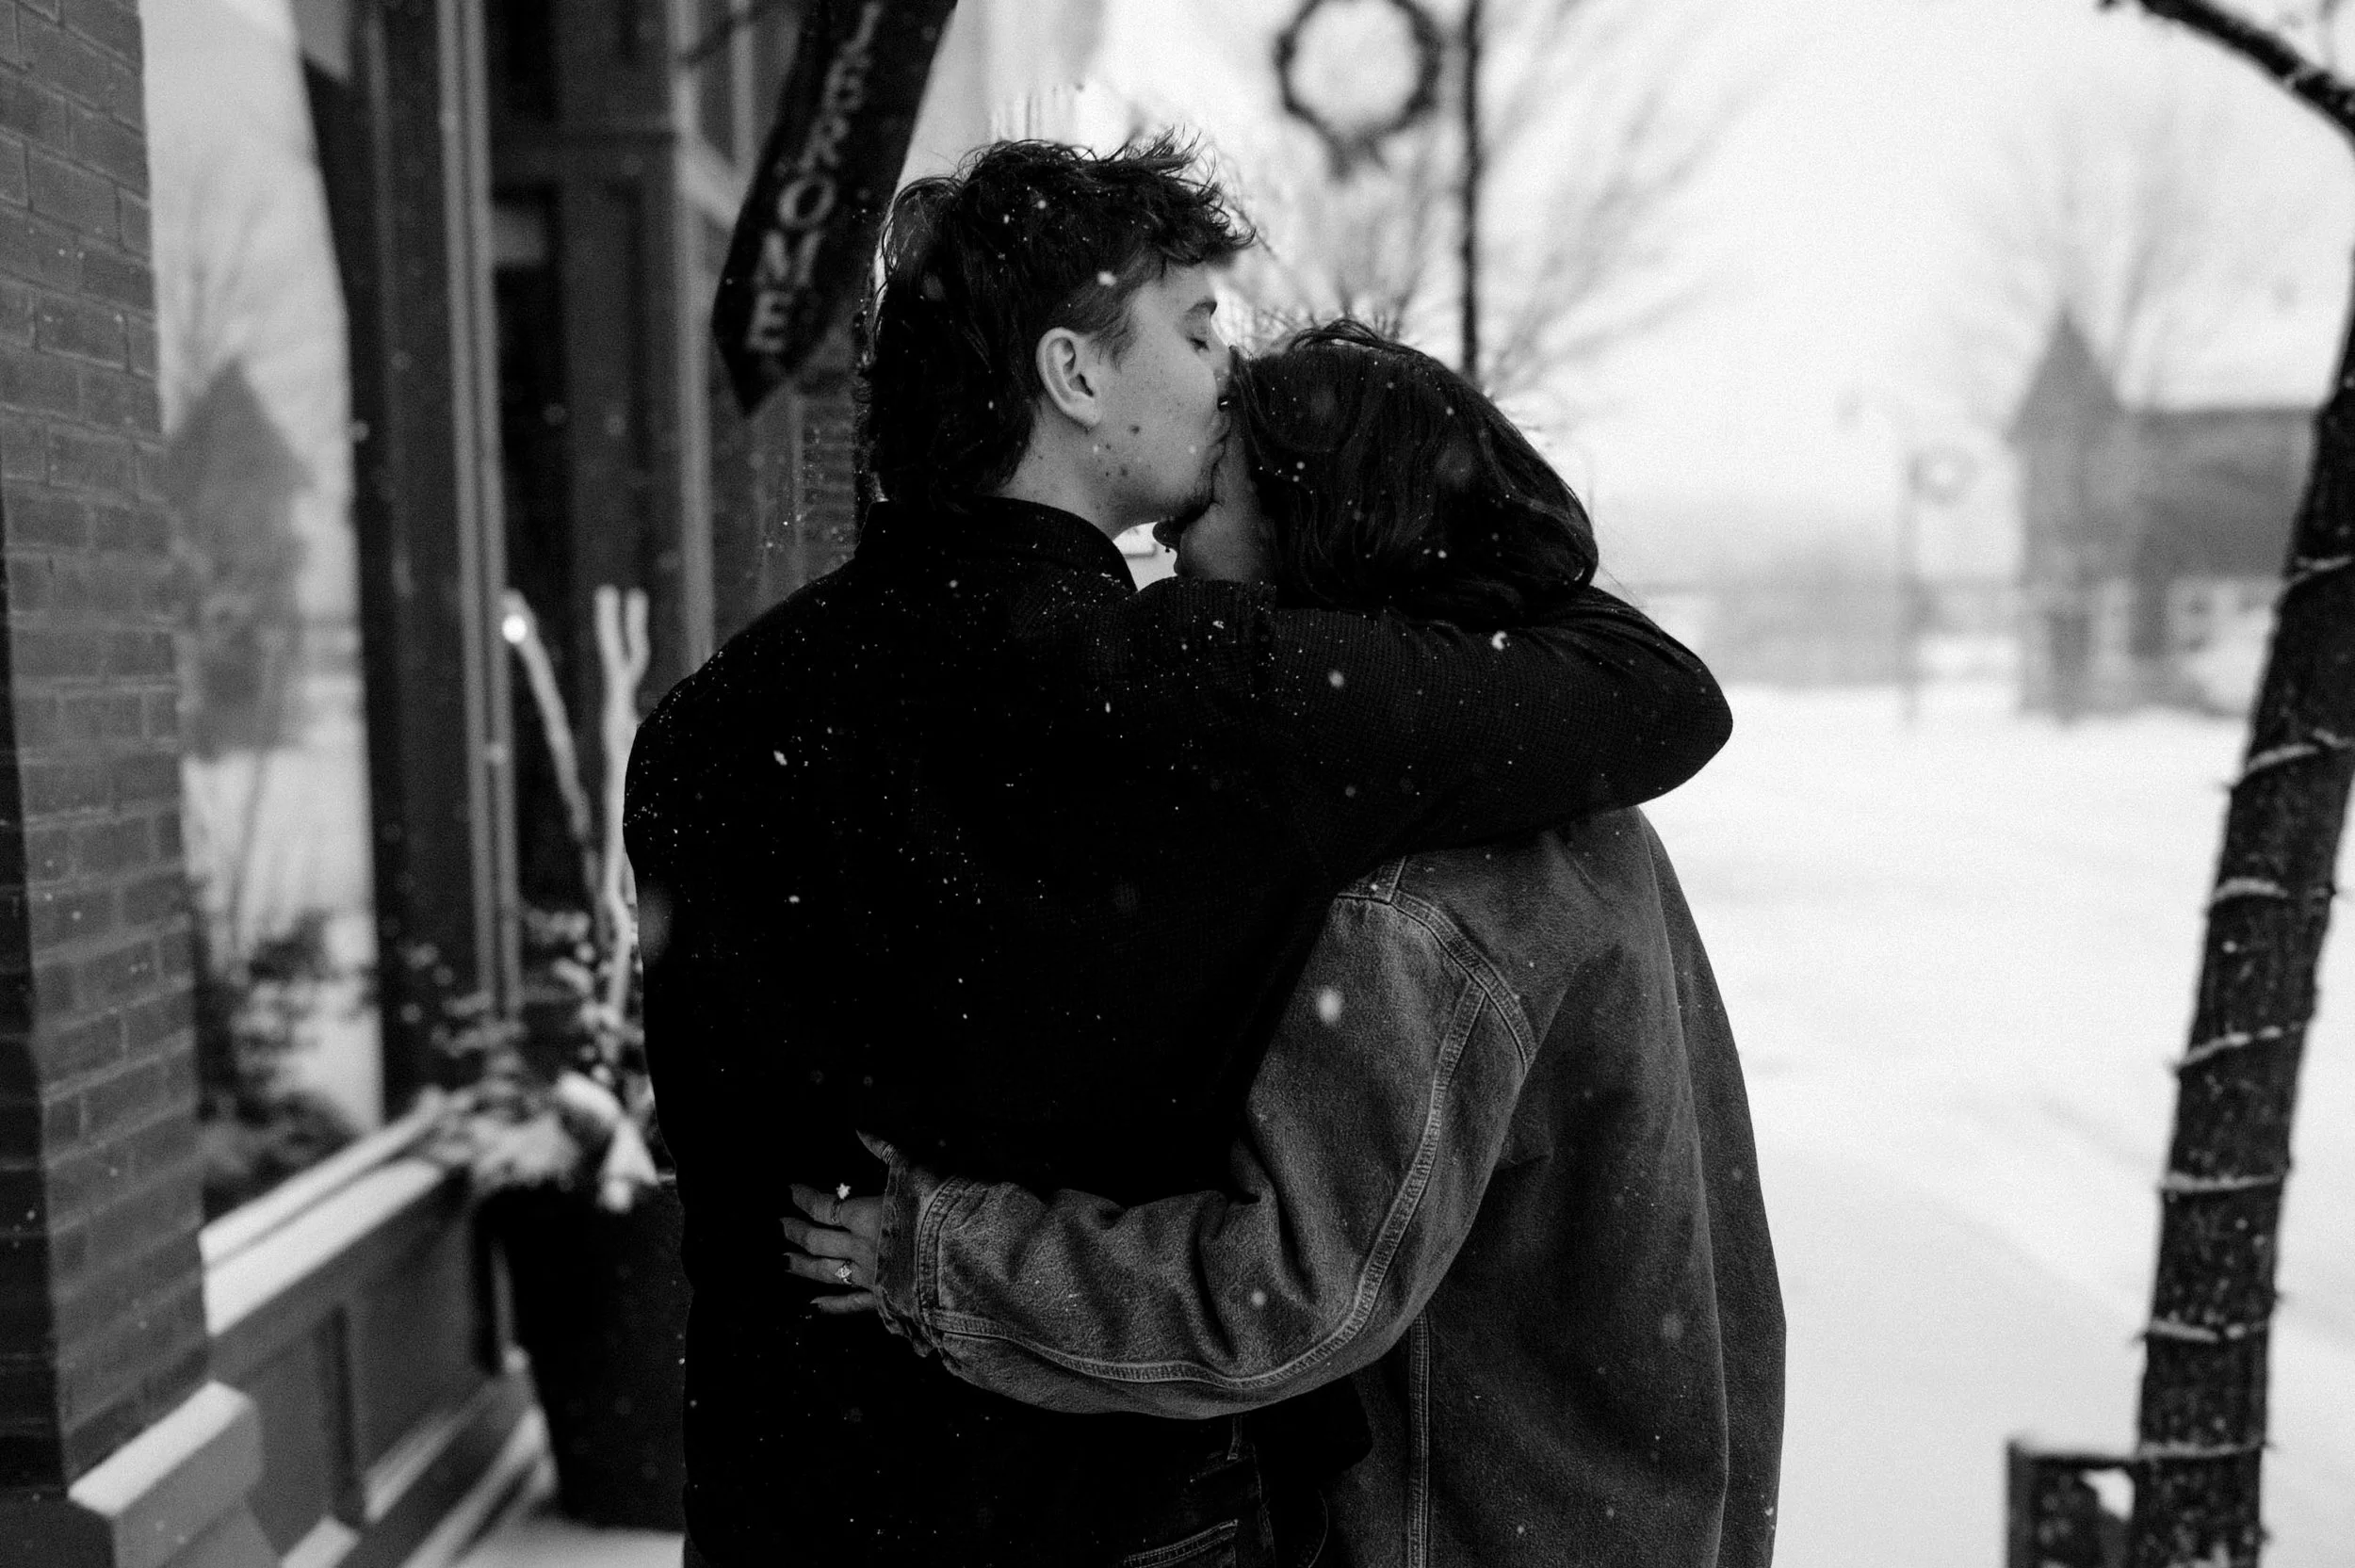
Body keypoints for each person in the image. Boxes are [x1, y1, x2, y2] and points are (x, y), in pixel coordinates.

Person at [625, 139, 1732, 1568]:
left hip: (785, 1496)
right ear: (1076, 377)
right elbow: (1645, 691)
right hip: (1108, 1516)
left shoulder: (705, 729)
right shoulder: (1204, 696)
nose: (1226, 381)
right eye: (1201, 331)